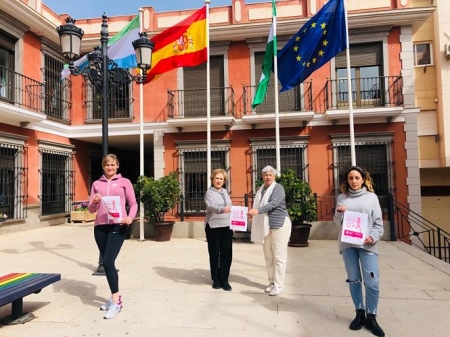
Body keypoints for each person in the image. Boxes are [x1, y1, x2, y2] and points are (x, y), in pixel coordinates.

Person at [334, 166, 385, 337]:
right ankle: (359, 312)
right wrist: (340, 213)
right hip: (348, 245)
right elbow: (337, 221)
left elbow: (378, 223)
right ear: (347, 180)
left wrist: (373, 236)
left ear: (363, 179)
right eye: (350, 178)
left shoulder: (371, 198)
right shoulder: (342, 197)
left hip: (367, 245)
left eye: (357, 178)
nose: (354, 181)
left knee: (372, 282)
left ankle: (371, 316)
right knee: (354, 280)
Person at [88, 154, 137, 319]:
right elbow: (90, 210)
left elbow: (133, 203)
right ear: (103, 166)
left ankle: (116, 301)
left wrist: (130, 217)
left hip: (119, 225)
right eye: (107, 165)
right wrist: (94, 201)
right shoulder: (96, 184)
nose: (110, 167)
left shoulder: (124, 182)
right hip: (100, 227)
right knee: (108, 263)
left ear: (117, 166)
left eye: (112, 165)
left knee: (108, 261)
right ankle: (113, 297)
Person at [248, 165, 291, 296]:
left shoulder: (278, 188)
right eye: (265, 175)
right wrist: (252, 214)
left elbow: (273, 203)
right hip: (266, 227)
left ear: (274, 176)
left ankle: (279, 285)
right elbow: (258, 205)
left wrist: (257, 211)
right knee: (268, 256)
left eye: (270, 175)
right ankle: (271, 281)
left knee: (279, 256)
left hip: (280, 225)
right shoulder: (260, 190)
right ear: (262, 177)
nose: (267, 177)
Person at [204, 168, 233, 291]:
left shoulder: (226, 192)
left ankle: (224, 279)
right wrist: (221, 209)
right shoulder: (209, 193)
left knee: (227, 253)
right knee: (215, 253)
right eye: (217, 178)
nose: (219, 180)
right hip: (213, 226)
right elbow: (211, 206)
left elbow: (230, 206)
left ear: (224, 180)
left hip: (227, 226)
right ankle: (216, 279)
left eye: (221, 178)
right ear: (212, 179)